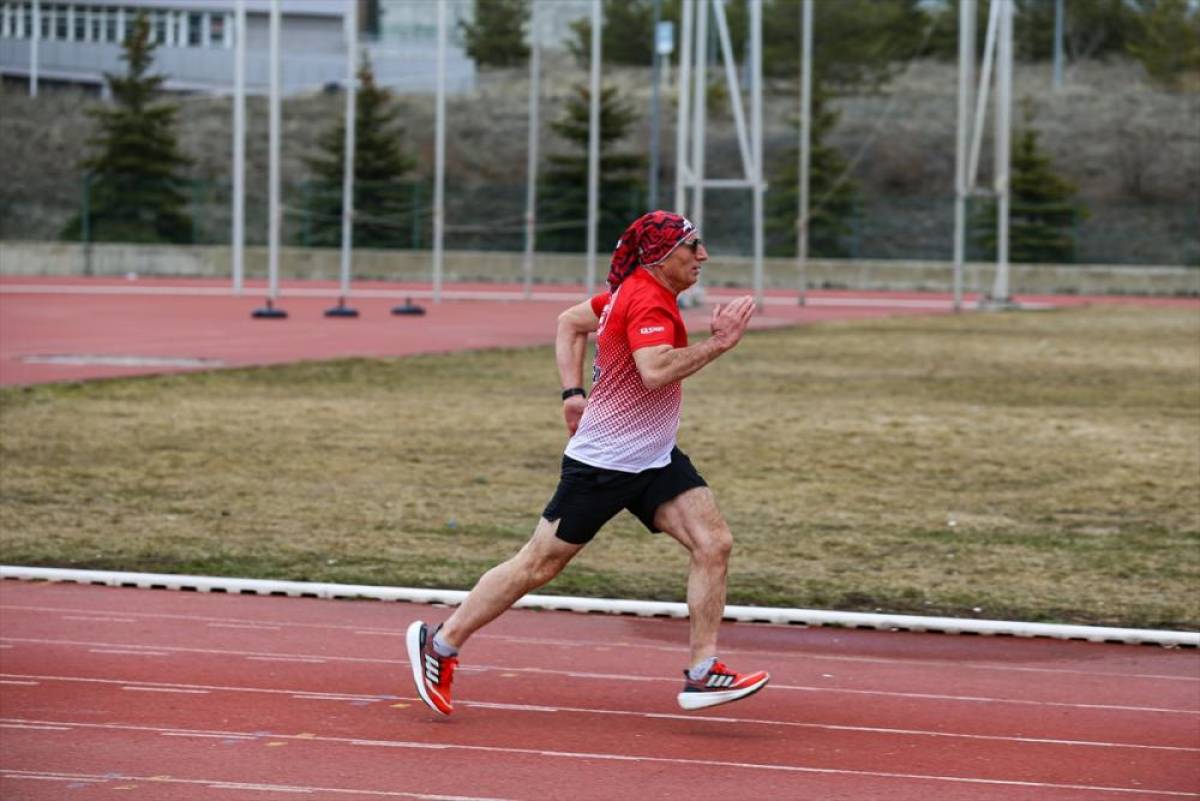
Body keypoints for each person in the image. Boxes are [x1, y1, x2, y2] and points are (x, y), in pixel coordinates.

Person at [406, 210, 768, 716]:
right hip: (604, 466)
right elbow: (655, 371)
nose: (703, 256)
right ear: (662, 255)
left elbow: (571, 322)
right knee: (537, 565)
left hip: (654, 459)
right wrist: (720, 343)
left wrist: (572, 394)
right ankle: (440, 643)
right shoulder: (647, 300)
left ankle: (703, 672)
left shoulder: (635, 289)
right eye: (693, 246)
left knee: (714, 543)